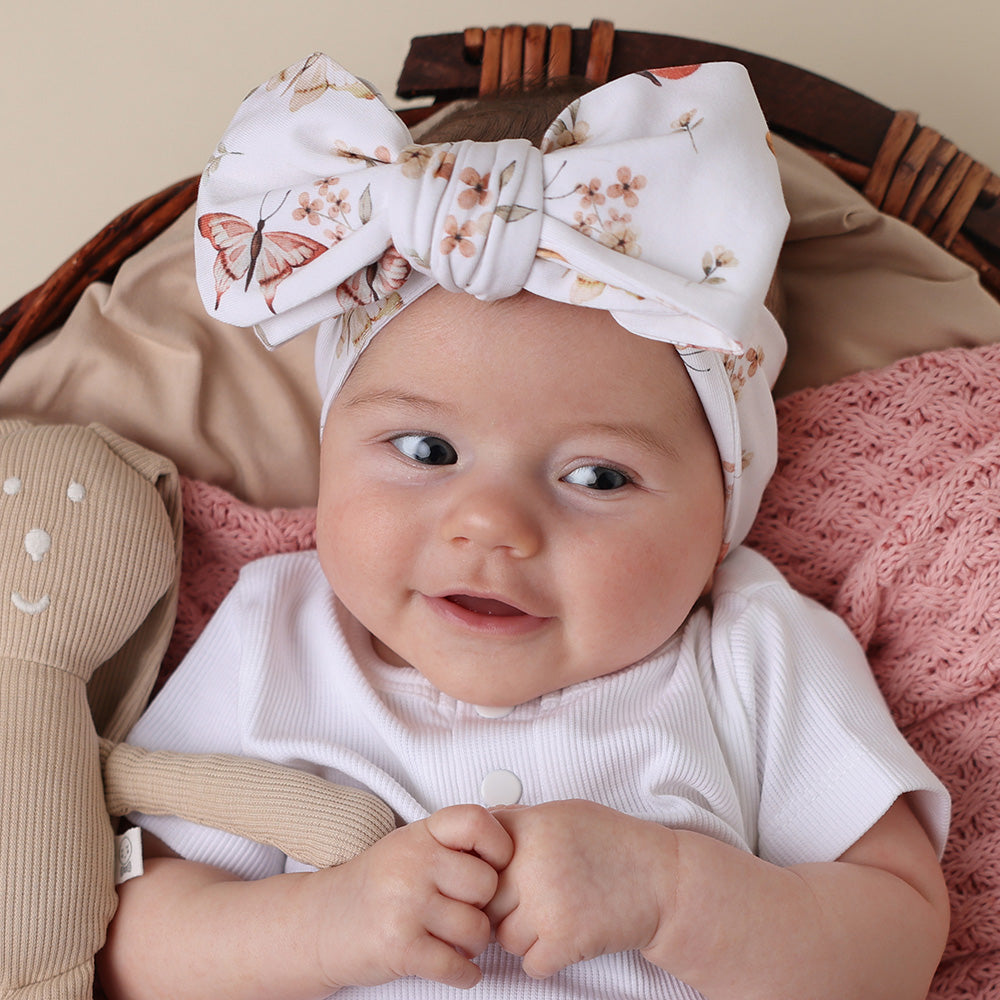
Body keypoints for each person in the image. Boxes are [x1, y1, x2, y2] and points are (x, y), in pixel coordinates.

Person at [98, 53, 950, 1000]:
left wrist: (672, 894)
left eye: (597, 476)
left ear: (720, 518)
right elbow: (126, 940)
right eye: (426, 450)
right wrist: (333, 922)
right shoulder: (279, 636)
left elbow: (896, 938)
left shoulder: (755, 652)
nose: (490, 524)